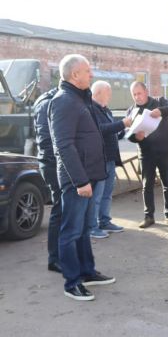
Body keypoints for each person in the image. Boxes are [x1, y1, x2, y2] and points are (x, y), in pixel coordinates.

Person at [49, 54, 115, 301]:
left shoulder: (80, 99)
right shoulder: (64, 101)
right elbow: (63, 145)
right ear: (74, 75)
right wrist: (80, 181)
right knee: (71, 231)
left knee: (84, 229)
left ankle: (87, 271)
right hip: (77, 181)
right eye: (88, 70)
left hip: (89, 176)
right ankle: (72, 282)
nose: (92, 74)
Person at [126, 81, 168, 228]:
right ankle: (149, 217)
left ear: (146, 91)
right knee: (147, 186)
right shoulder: (131, 111)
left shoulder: (159, 102)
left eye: (139, 93)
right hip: (146, 153)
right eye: (134, 94)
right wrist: (136, 138)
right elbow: (128, 135)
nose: (137, 97)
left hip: (165, 151)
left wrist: (161, 111)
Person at [89, 81, 132, 238]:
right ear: (99, 93)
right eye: (108, 93)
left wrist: (124, 130)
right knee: (97, 195)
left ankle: (105, 221)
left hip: (110, 159)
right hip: (99, 159)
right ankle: (92, 227)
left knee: (107, 193)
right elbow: (99, 130)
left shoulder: (105, 109)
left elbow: (111, 131)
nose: (111, 96)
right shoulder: (91, 109)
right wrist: (122, 124)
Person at [33, 87, 61, 273]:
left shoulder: (55, 99)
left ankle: (60, 255)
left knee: (64, 210)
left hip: (58, 163)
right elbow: (46, 140)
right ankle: (55, 259)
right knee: (60, 210)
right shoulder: (48, 102)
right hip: (53, 164)